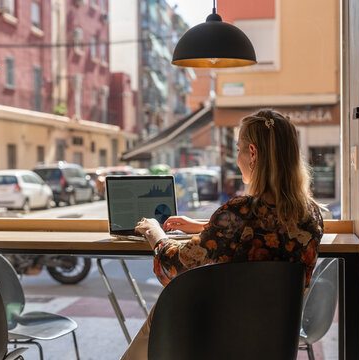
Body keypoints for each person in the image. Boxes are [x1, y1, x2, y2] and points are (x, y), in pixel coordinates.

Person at [120, 109, 324, 360]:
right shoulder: (311, 214)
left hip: (219, 335)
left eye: (238, 149)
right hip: (275, 339)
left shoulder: (237, 212)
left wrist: (155, 233)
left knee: (163, 311)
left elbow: (176, 265)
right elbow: (267, 230)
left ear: (253, 153)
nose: (237, 158)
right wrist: (207, 226)